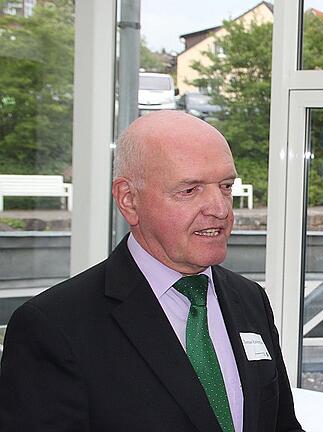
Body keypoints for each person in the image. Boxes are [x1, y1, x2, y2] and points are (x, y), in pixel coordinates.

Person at [0, 111, 304, 432]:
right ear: (129, 200)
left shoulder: (250, 298)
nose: (220, 208)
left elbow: (281, 423)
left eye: (225, 186)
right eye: (190, 190)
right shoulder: (53, 327)